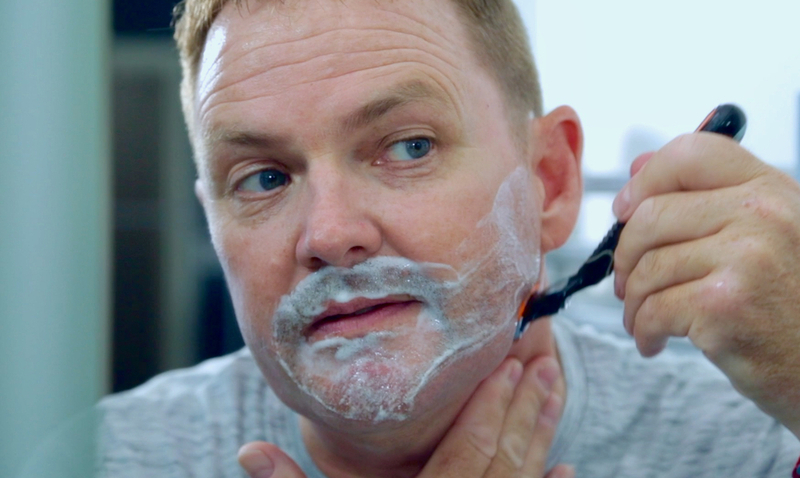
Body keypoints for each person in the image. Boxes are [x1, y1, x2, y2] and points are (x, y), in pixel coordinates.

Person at [92, 0, 800, 477]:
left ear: (549, 183)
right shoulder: (104, 460)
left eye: (407, 147)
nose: (333, 235)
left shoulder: (757, 443)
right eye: (265, 180)